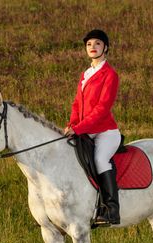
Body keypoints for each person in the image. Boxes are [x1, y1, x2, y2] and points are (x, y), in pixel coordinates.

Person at [64, 29, 121, 226]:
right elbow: (77, 104)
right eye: (89, 44)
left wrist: (79, 128)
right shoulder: (86, 74)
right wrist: (72, 124)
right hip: (84, 129)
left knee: (99, 159)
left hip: (106, 132)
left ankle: (111, 209)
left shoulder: (110, 75)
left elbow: (102, 109)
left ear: (105, 48)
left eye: (97, 44)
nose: (92, 47)